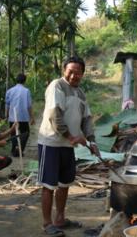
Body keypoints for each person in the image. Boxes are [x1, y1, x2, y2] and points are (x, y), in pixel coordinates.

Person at [37, 56, 100, 237]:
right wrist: (70, 136)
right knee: (49, 184)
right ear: (64, 71)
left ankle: (60, 219)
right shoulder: (57, 86)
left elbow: (87, 119)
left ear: (82, 74)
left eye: (78, 72)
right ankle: (47, 223)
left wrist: (91, 141)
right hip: (51, 142)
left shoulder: (80, 93)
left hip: (67, 146)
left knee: (65, 183)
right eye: (70, 72)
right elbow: (54, 115)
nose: (74, 76)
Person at [5, 73, 34, 157]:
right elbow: (29, 106)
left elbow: (7, 105)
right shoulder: (26, 91)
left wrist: (6, 116)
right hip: (23, 117)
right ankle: (20, 149)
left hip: (12, 117)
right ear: (24, 81)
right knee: (26, 133)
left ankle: (14, 150)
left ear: (16, 80)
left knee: (13, 134)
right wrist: (32, 117)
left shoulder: (9, 91)